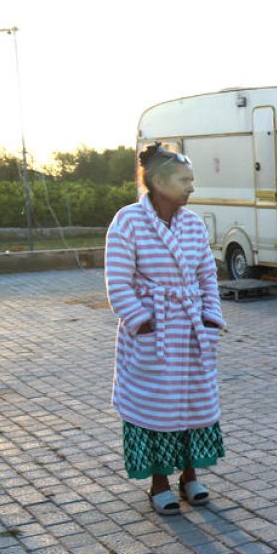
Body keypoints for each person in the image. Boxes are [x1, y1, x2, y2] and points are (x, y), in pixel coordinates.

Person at [104, 143, 226, 516]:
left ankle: (190, 477)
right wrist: (142, 322)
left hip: (190, 330)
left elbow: (207, 273)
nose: (191, 187)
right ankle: (158, 483)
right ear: (157, 182)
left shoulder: (192, 223)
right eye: (184, 180)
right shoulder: (128, 220)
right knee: (155, 408)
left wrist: (210, 316)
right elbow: (118, 281)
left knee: (194, 404)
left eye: (192, 180)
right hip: (153, 330)